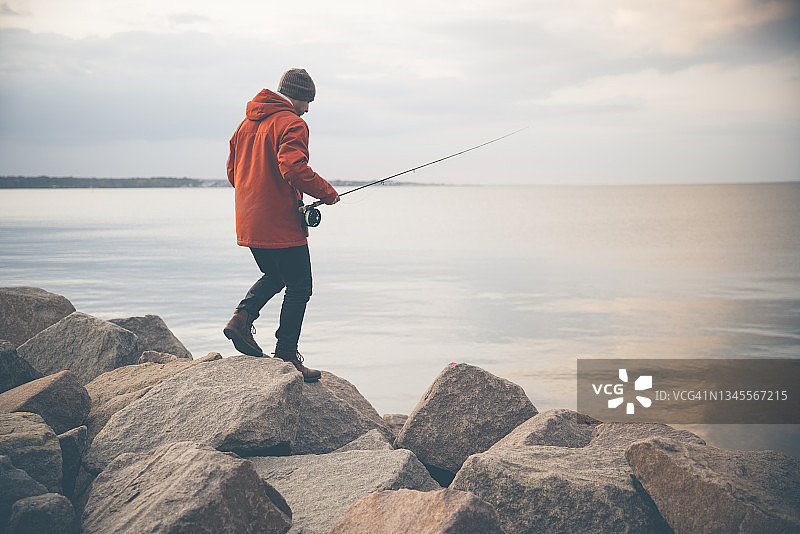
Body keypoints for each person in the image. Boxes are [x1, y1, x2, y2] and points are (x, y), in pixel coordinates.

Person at [224, 68, 339, 382]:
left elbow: (233, 175)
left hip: (249, 221)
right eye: (307, 102)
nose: (307, 109)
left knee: (275, 275)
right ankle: (287, 354)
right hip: (279, 223)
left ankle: (241, 319)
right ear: (298, 96)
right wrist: (326, 193)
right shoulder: (292, 123)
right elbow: (293, 168)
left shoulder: (245, 124)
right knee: (300, 286)